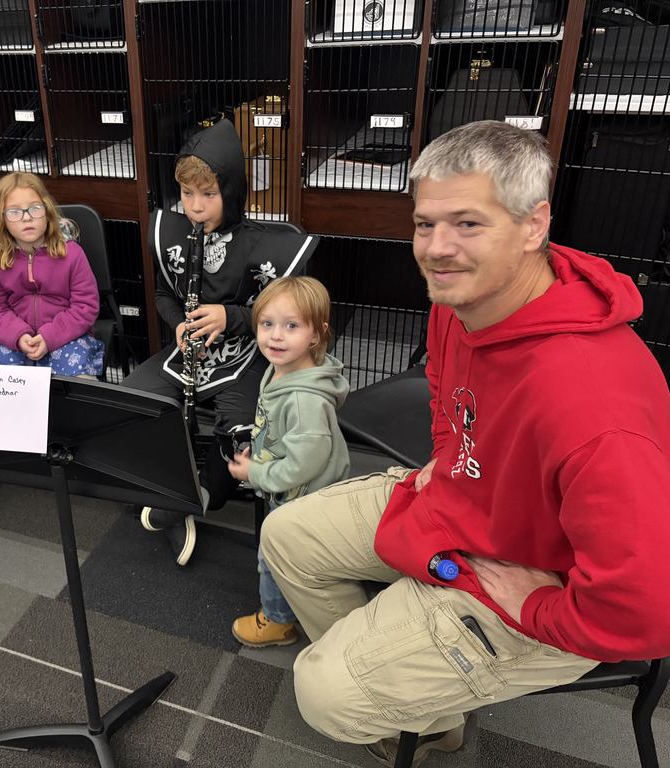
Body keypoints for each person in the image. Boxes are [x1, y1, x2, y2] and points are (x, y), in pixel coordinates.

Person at [261, 120, 670, 767]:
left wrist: (536, 606)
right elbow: (448, 397)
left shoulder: (594, 408)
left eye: (468, 224)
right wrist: (448, 461)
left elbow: (646, 610)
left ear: (533, 225)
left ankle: (408, 701)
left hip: (547, 582)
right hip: (468, 505)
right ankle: (416, 696)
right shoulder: (459, 302)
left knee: (323, 692)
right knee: (288, 535)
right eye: (426, 224)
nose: (437, 248)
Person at [126, 118, 318, 566]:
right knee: (136, 399)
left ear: (231, 192)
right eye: (187, 194)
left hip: (247, 354)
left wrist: (229, 316)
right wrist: (177, 322)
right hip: (190, 349)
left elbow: (285, 317)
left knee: (236, 429)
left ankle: (199, 498)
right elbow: (161, 295)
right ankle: (172, 483)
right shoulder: (177, 234)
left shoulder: (258, 244)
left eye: (208, 195)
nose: (195, 207)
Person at [0, 171, 103, 502]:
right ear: (2, 220)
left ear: (47, 210)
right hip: (15, 338)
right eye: (15, 212)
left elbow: (86, 308)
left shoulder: (71, 253)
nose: (27, 218)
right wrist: (18, 337)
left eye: (34, 208)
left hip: (66, 335)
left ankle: (73, 447)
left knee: (73, 383)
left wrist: (48, 337)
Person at [225, 276, 350, 648]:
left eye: (291, 326)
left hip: (307, 496)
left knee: (273, 557)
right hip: (297, 489)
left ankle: (278, 621)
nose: (276, 336)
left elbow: (302, 465)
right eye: (267, 324)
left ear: (316, 334)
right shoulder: (284, 369)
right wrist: (261, 452)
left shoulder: (303, 400)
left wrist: (257, 472)